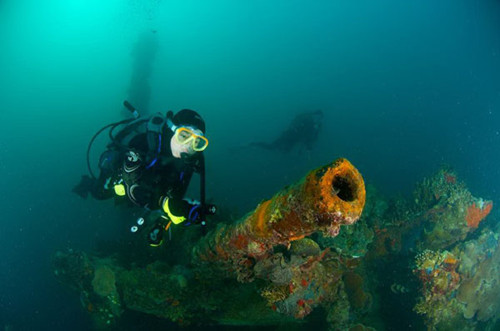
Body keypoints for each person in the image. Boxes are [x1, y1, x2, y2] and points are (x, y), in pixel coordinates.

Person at [73, 102, 215, 246]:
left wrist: (164, 221)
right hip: (124, 174)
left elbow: (175, 196)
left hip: (153, 185)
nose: (189, 146)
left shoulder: (188, 161)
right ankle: (87, 183)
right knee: (101, 193)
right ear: (171, 129)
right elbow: (132, 189)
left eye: (197, 142)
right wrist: (164, 203)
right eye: (184, 135)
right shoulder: (143, 143)